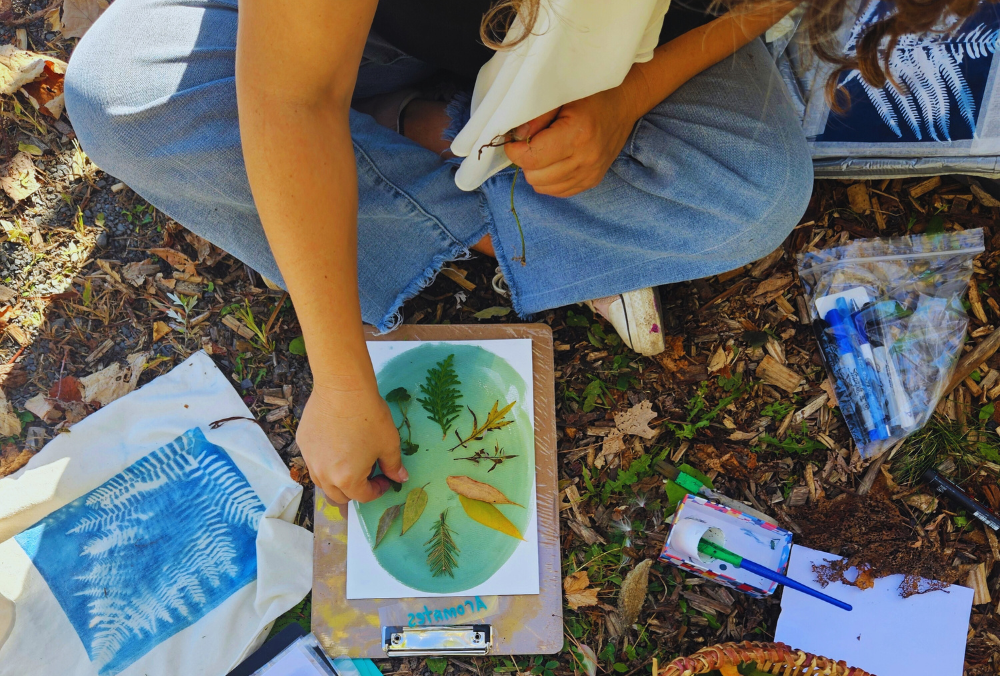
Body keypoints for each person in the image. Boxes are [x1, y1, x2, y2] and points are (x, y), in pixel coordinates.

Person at [63, 0, 971, 507]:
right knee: (121, 94)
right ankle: (496, 191)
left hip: (621, 58)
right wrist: (339, 379)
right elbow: (292, 94)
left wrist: (628, 100)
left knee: (754, 193)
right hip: (362, 34)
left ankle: (426, 141)